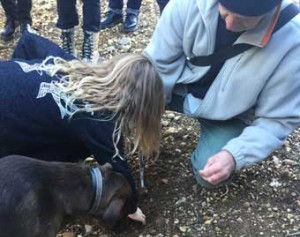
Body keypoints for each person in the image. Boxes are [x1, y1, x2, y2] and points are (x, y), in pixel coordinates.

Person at [1, 32, 165, 213]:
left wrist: (21, 92)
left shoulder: (72, 65)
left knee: (62, 136)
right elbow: (122, 181)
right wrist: (132, 208)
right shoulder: (99, 117)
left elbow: (27, 42)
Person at [144, 0, 300, 188]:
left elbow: (277, 120)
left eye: (244, 20)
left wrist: (234, 155)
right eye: (225, 12)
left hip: (232, 113)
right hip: (181, 87)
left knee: (208, 176)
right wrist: (148, 116)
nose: (230, 25)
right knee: (125, 98)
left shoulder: (293, 40)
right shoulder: (186, 4)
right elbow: (159, 65)